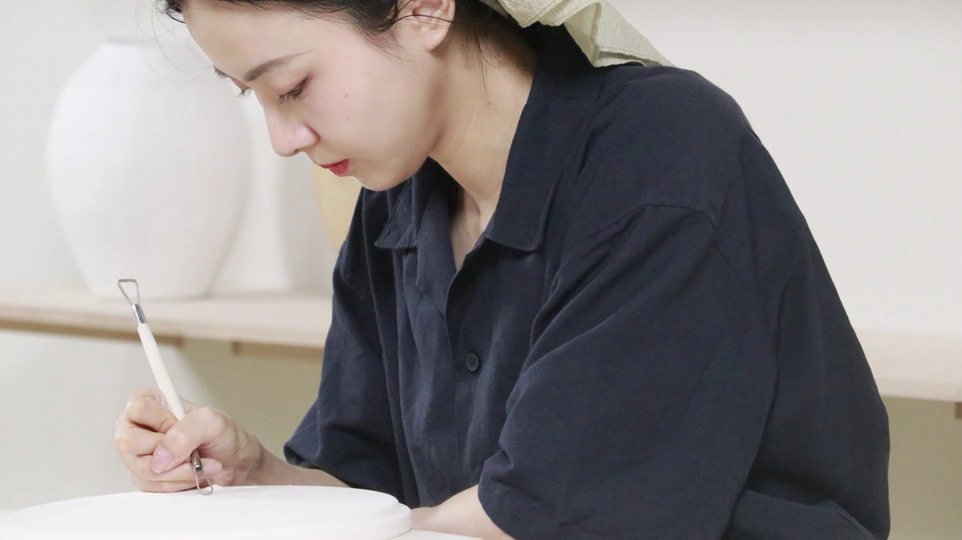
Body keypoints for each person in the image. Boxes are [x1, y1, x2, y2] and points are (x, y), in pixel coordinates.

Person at [114, 0, 891, 538]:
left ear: (424, 8)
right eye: (252, 96)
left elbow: (550, 517)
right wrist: (256, 477)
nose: (283, 139)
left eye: (292, 87)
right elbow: (366, 493)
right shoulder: (395, 205)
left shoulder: (661, 153)